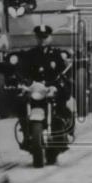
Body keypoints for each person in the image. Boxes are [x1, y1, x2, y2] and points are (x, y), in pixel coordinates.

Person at [16, 25, 73, 163]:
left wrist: (56, 86)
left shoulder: (56, 55)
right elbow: (22, 72)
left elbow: (64, 73)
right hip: (36, 90)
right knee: (20, 105)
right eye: (40, 37)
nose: (42, 40)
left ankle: (65, 135)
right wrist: (25, 84)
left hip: (51, 89)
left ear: (50, 37)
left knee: (62, 109)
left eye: (45, 37)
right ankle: (25, 134)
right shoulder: (29, 55)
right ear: (36, 38)